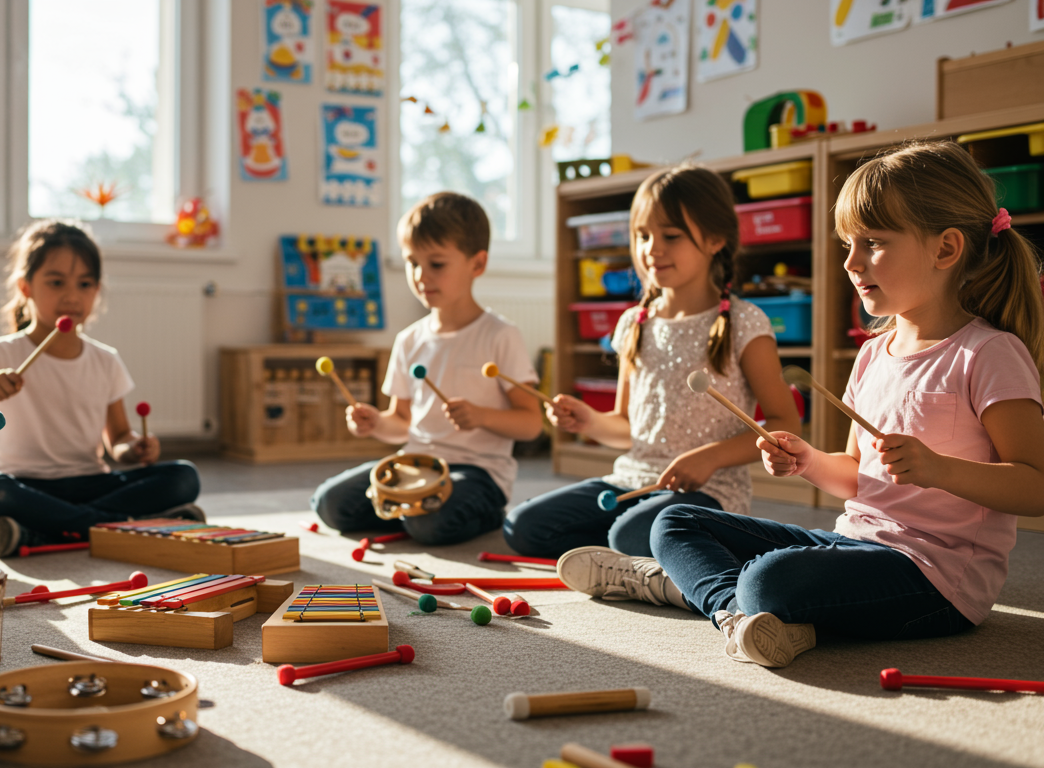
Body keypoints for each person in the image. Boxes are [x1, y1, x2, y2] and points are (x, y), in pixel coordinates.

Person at [574, 141, 1044, 669]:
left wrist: (938, 470)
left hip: (936, 577)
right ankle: (735, 613)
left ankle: (694, 591)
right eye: (848, 244)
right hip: (855, 543)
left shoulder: (990, 353)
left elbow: (1034, 486)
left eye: (872, 243)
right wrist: (809, 461)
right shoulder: (873, 354)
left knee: (768, 579)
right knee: (675, 523)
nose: (850, 262)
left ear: (946, 249)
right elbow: (857, 478)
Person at [507, 164, 799, 564]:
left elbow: (785, 424)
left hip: (709, 492)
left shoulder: (745, 323)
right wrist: (589, 421)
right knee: (523, 526)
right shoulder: (634, 323)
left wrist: (710, 457)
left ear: (715, 239)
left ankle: (657, 546)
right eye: (643, 235)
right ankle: (652, 553)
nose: (652, 249)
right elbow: (626, 427)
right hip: (632, 481)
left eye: (671, 236)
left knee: (628, 534)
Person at [0, 219, 203, 558]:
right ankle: (116, 525)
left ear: (97, 291)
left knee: (184, 477)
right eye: (56, 282)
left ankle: (44, 532)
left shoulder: (105, 360)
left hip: (90, 483)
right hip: (24, 483)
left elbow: (118, 438)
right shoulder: (2, 352)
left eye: (85, 284)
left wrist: (135, 448)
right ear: (25, 287)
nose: (72, 296)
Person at [311, 192, 544, 546]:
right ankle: (408, 510)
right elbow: (401, 421)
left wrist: (481, 416)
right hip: (414, 463)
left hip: (478, 472)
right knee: (329, 504)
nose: (421, 276)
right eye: (412, 263)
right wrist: (376, 423)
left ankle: (481, 512)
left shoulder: (501, 335)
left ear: (477, 264)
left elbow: (531, 424)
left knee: (429, 524)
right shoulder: (409, 340)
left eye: (436, 264)